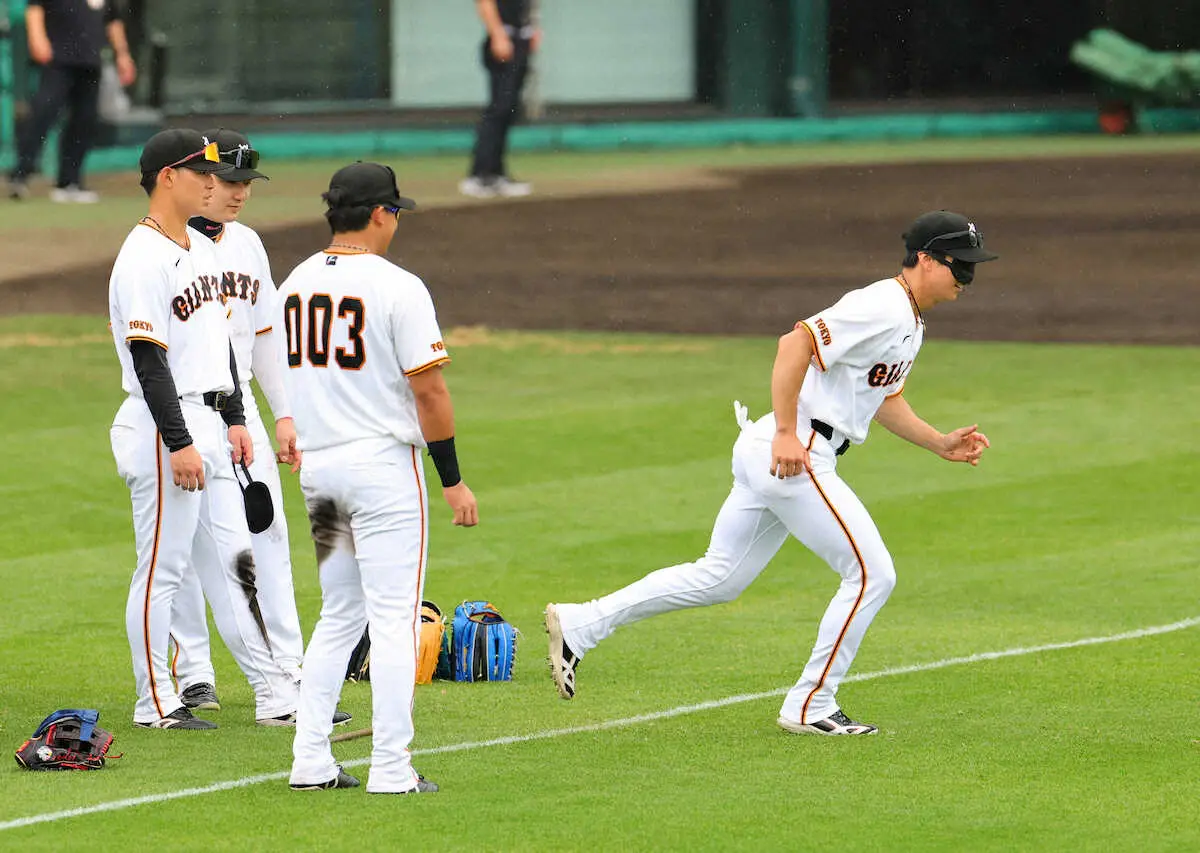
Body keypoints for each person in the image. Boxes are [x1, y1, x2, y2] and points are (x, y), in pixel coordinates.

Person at [546, 210, 997, 735]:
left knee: (719, 576)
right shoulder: (883, 306)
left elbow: (880, 395)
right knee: (873, 574)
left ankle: (582, 623)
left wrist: (938, 442)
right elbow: (795, 344)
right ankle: (811, 704)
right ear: (924, 259)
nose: (967, 279)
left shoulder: (909, 318)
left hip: (781, 447)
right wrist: (787, 431)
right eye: (958, 267)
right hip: (794, 449)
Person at [282, 162, 478, 792]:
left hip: (322, 473)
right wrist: (452, 477)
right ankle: (391, 768)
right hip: (383, 472)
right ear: (380, 214)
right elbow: (431, 392)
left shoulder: (296, 282)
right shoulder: (399, 287)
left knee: (338, 614)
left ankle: (309, 760)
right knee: (392, 619)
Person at [108, 128, 299, 729]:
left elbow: (221, 343)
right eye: (202, 173)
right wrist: (181, 439)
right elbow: (148, 358)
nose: (214, 184)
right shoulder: (141, 256)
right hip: (167, 423)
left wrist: (238, 417)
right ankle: (156, 699)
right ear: (169, 177)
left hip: (212, 419)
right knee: (163, 568)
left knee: (233, 558)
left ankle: (276, 692)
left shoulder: (198, 248)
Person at [164, 128, 316, 722]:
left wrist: (281, 412)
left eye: (245, 183)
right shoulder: (161, 248)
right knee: (183, 548)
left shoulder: (248, 245)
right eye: (228, 181)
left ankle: (292, 671)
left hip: (239, 409)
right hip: (180, 409)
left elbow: (264, 334)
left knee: (266, 535)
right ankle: (195, 671)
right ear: (198, 179)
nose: (237, 193)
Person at [8, 0, 136, 203]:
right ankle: (20, 175)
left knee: (84, 121)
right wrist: (37, 39)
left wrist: (122, 55)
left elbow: (113, 21)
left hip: (91, 64)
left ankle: (69, 182)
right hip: (58, 62)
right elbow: (35, 9)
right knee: (42, 115)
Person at [459, 0, 540, 199]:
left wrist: (534, 28)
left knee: (510, 109)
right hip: (504, 36)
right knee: (499, 108)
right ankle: (479, 175)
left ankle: (496, 173)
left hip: (521, 38)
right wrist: (497, 34)